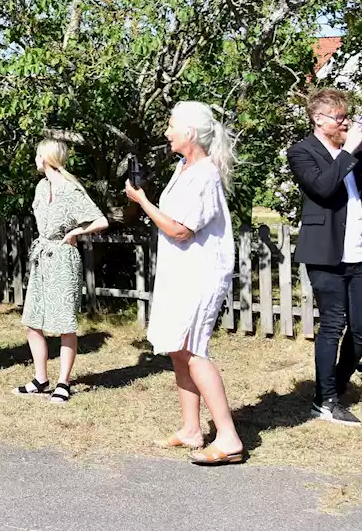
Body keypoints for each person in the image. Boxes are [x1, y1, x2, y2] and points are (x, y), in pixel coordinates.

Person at [125, 101, 245, 466]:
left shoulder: (205, 174)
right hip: (181, 272)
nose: (167, 132)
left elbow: (180, 229)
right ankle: (192, 429)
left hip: (201, 275)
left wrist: (142, 200)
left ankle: (229, 438)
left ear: (189, 134)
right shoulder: (184, 167)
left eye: (172, 126)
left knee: (194, 350)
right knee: (178, 348)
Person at [288, 88, 362, 427]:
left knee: (361, 327)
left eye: (346, 116)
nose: (345, 122)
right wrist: (347, 151)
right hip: (325, 253)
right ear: (319, 120)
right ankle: (327, 399)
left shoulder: (361, 152)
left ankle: (334, 384)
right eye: (339, 117)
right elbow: (323, 188)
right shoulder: (301, 152)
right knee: (333, 324)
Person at [16, 139, 108, 402]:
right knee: (32, 321)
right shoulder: (41, 187)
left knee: (65, 323)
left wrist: (77, 231)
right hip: (41, 257)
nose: (35, 159)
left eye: (37, 155)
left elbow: (100, 220)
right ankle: (40, 378)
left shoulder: (71, 189)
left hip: (63, 258)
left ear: (45, 158)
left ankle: (63, 382)